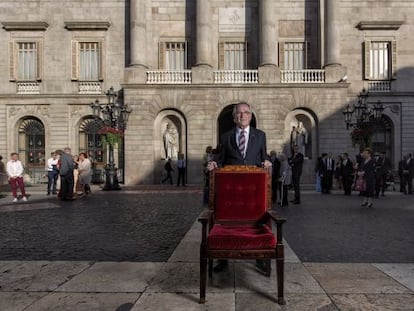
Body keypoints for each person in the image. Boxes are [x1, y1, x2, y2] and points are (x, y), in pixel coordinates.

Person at [207, 102, 272, 273]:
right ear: (234, 117)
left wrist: (266, 162)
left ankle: (260, 258)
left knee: (257, 219)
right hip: (232, 189)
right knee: (228, 220)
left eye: (245, 113)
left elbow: (263, 156)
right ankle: (222, 259)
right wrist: (214, 163)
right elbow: (220, 159)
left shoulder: (260, 136)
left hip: (253, 189)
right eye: (239, 113)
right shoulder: (226, 136)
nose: (242, 116)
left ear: (250, 116)